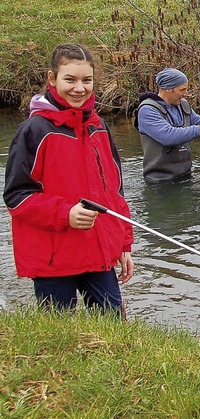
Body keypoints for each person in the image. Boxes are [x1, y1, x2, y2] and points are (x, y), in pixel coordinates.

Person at [3, 44, 134, 316]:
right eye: (70, 80)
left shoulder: (99, 126)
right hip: (54, 259)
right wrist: (66, 213)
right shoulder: (34, 131)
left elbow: (116, 192)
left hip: (99, 254)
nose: (79, 88)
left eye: (86, 80)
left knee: (116, 331)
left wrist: (124, 244)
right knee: (61, 338)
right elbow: (16, 197)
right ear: (52, 79)